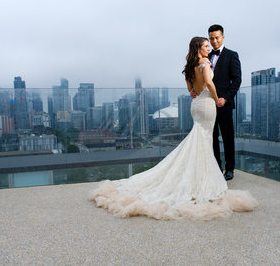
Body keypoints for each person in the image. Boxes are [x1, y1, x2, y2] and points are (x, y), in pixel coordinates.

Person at [90, 37, 257, 221]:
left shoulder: (190, 66)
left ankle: (199, 173)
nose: (209, 48)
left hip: (196, 104)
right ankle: (202, 178)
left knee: (199, 138)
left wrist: (198, 93)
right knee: (205, 139)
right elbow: (209, 83)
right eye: (206, 45)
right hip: (208, 103)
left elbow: (191, 90)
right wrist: (217, 98)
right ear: (198, 48)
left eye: (209, 45)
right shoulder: (205, 63)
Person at [208, 24, 242, 181]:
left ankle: (230, 169)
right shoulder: (206, 57)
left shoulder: (232, 55)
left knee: (228, 138)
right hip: (209, 104)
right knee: (212, 138)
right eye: (211, 38)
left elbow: (237, 80)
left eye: (217, 38)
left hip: (225, 105)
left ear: (223, 37)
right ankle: (216, 167)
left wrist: (226, 98)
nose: (214, 41)